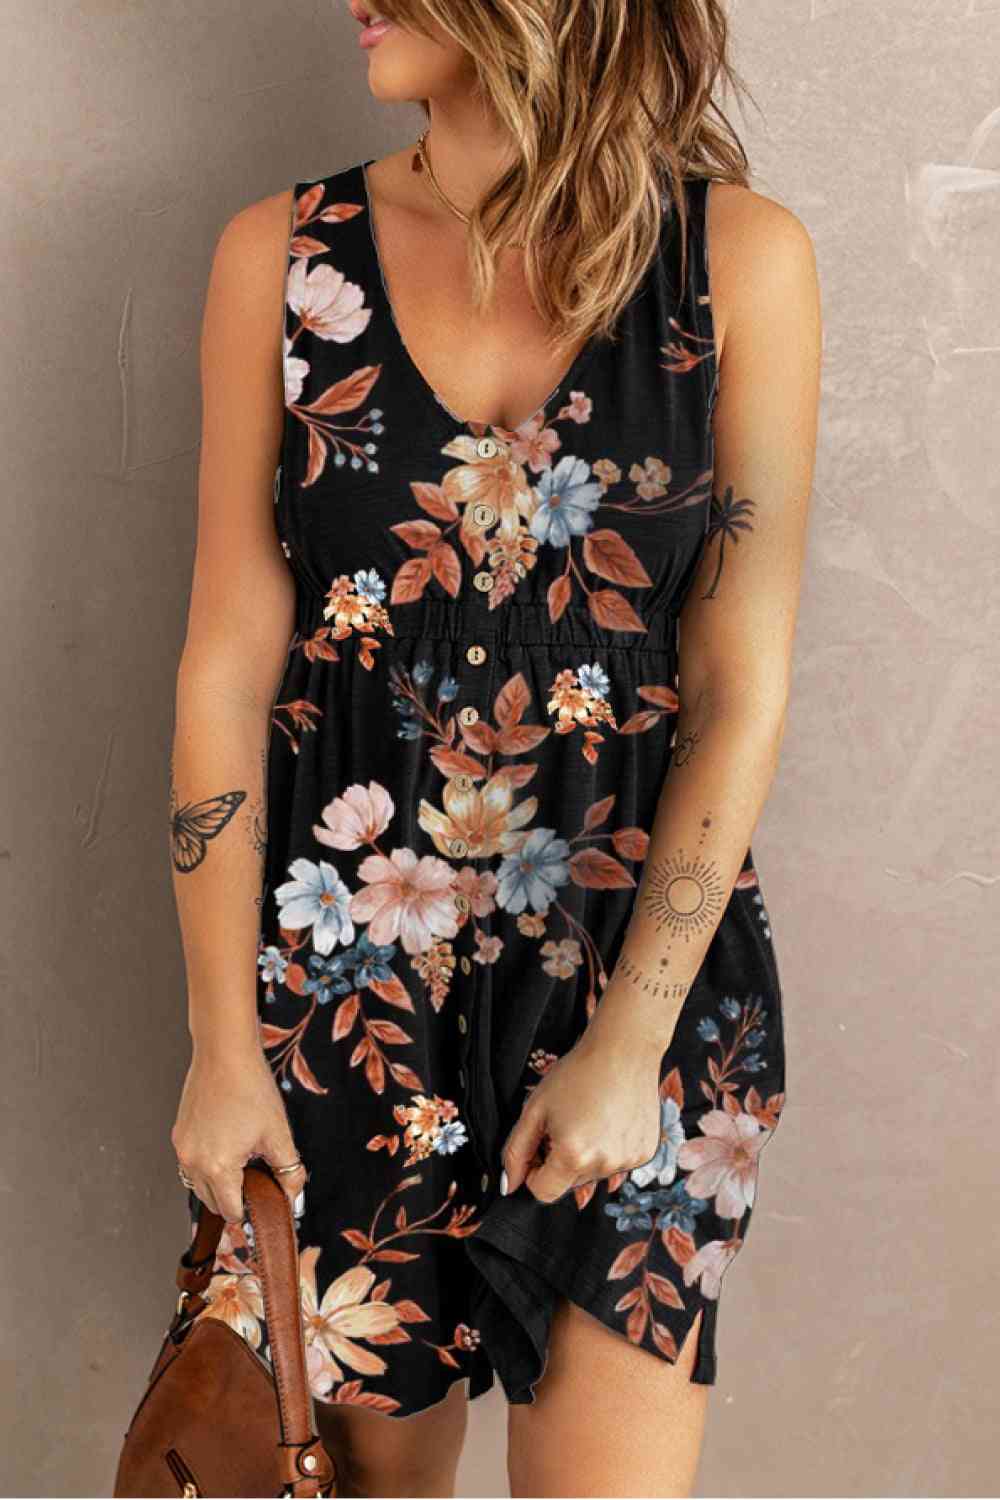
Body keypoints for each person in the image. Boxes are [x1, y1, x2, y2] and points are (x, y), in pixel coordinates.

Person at [168, 1, 821, 1494]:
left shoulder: (738, 263)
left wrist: (632, 1046)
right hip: (345, 981)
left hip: (636, 973)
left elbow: (740, 686)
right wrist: (221, 1047)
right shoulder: (280, 256)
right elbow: (224, 668)